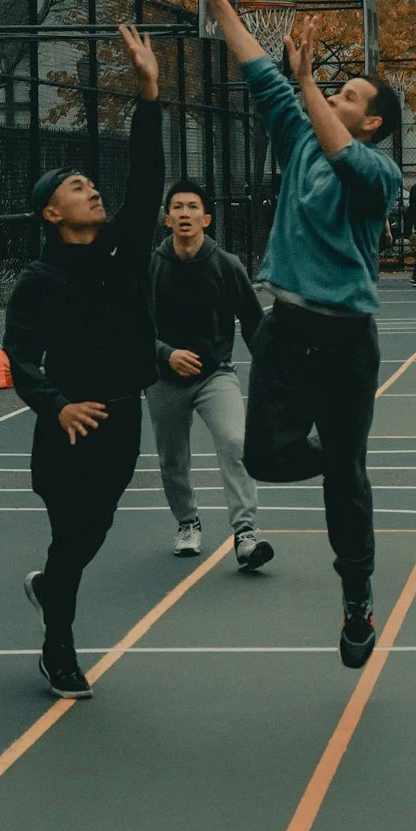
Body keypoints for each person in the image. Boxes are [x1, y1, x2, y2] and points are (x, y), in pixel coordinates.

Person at [204, 0, 405, 669]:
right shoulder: (297, 140)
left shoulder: (377, 173)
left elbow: (338, 147)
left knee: (347, 485)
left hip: (346, 339)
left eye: (351, 95)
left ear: (371, 122)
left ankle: (356, 597)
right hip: (286, 330)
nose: (337, 99)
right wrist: (221, 5)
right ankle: (337, 458)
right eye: (336, 91)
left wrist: (310, 81)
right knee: (263, 455)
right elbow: (260, 71)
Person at [7, 25, 165, 701]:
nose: (93, 190)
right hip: (68, 426)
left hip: (123, 417)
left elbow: (148, 177)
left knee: (94, 531)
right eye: (78, 186)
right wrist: (57, 405)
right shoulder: (38, 281)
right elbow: (18, 358)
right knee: (71, 536)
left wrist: (149, 95)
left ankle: (49, 589)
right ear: (52, 211)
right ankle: (59, 651)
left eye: (92, 183)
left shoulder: (124, 248)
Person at [148, 178, 273, 572]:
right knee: (172, 458)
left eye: (192, 207)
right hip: (163, 378)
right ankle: (188, 522)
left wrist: (274, 378)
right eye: (177, 207)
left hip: (215, 374)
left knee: (236, 441)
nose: (185, 213)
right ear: (167, 219)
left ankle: (246, 534)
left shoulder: (226, 265)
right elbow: (131, 327)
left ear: (206, 218)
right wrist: (166, 354)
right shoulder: (151, 266)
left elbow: (254, 324)